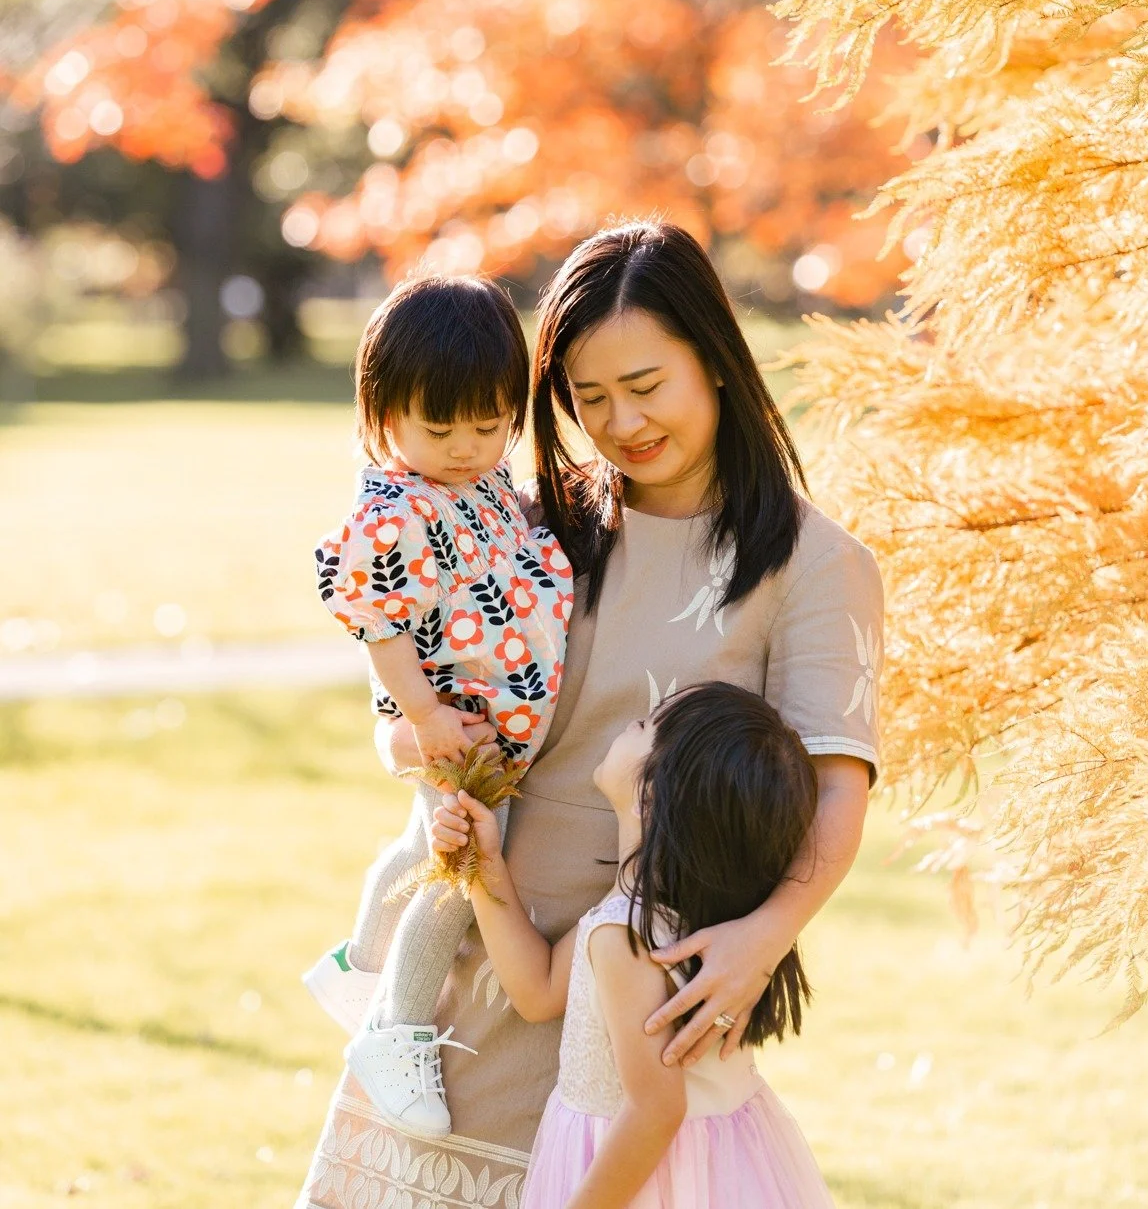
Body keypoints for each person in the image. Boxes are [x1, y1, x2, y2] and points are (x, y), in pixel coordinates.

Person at [299, 221, 882, 1209]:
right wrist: (407, 741)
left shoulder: (816, 564)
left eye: (646, 385)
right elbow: (413, 690)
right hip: (463, 964)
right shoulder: (529, 520)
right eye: (589, 396)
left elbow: (835, 787)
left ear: (717, 359)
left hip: (621, 990)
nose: (621, 422)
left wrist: (766, 934)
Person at [304, 273, 573, 1138]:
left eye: (489, 425)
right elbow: (376, 624)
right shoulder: (397, 510)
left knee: (424, 845)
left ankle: (361, 964)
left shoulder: (482, 487)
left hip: (484, 722)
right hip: (455, 722)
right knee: (457, 873)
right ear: (386, 414)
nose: (465, 447)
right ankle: (395, 1026)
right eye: (440, 427)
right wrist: (422, 718)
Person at [430, 681, 836, 1209]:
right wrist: (485, 864)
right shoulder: (693, 913)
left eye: (645, 725)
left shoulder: (625, 933)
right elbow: (539, 990)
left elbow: (655, 1111)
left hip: (643, 1181)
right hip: (726, 1167)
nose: (630, 722)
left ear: (651, 794)